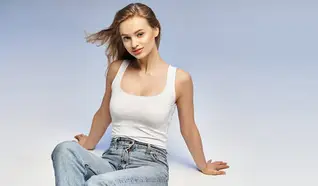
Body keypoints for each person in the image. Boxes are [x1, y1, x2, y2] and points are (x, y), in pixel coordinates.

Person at [50, 3, 230, 185]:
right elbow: (104, 113)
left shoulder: (179, 79)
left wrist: (203, 166)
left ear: (155, 30)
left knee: (97, 183)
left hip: (151, 166)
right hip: (112, 160)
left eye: (140, 34)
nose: (133, 44)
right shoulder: (116, 70)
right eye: (126, 38)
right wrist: (88, 142)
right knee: (64, 149)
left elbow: (188, 128)